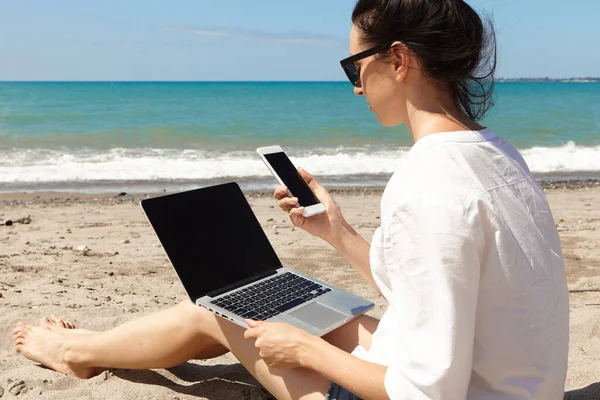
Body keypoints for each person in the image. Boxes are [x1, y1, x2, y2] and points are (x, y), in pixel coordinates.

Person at [13, 0, 569, 399]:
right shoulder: (496, 155)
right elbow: (438, 295)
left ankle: (76, 353)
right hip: (507, 382)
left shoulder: (426, 184)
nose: (354, 86)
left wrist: (303, 351)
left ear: (397, 61)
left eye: (356, 67)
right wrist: (337, 232)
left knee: (225, 312)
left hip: (450, 389)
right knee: (265, 305)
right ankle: (90, 346)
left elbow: (424, 392)